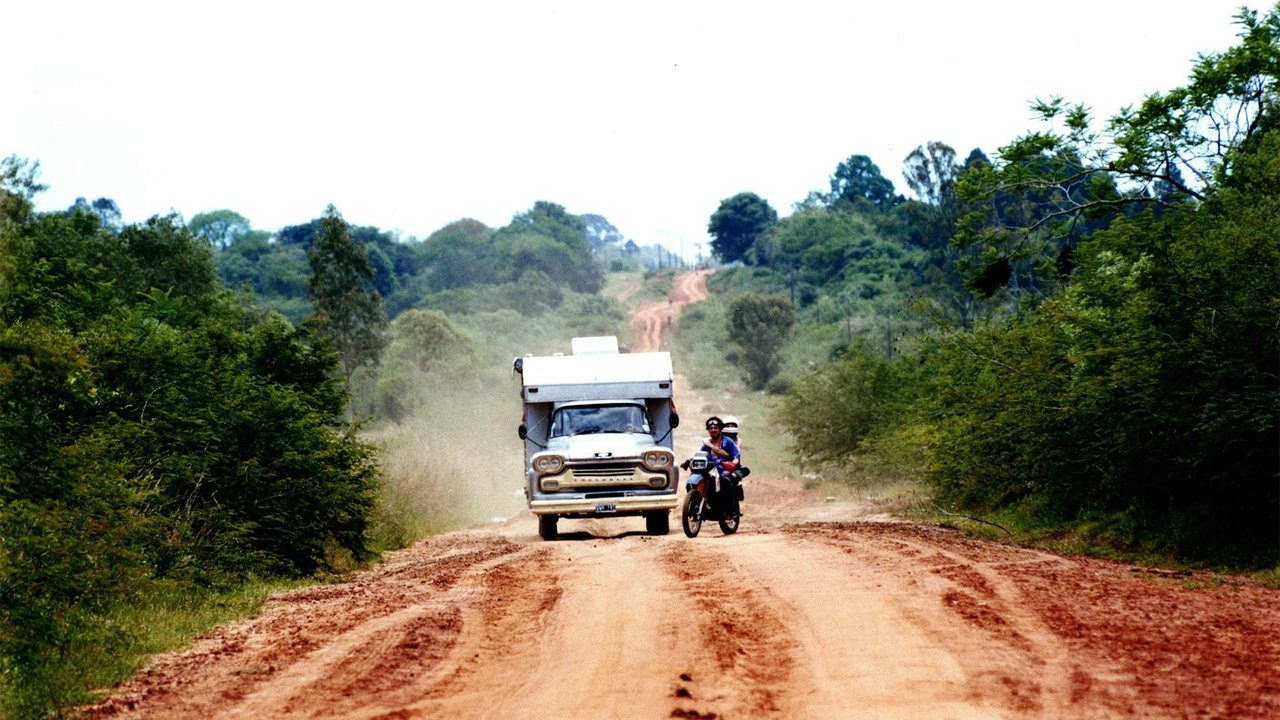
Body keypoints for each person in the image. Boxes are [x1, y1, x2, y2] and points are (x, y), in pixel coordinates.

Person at [682, 416, 741, 508]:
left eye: (715, 428)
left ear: (720, 429)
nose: (713, 430)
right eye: (711, 428)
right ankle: (697, 503)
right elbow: (699, 455)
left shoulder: (728, 441)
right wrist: (689, 461)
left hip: (723, 469)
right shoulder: (706, 444)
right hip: (709, 469)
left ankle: (729, 509)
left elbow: (736, 455)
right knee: (693, 480)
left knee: (726, 481)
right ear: (708, 430)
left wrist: (733, 464)